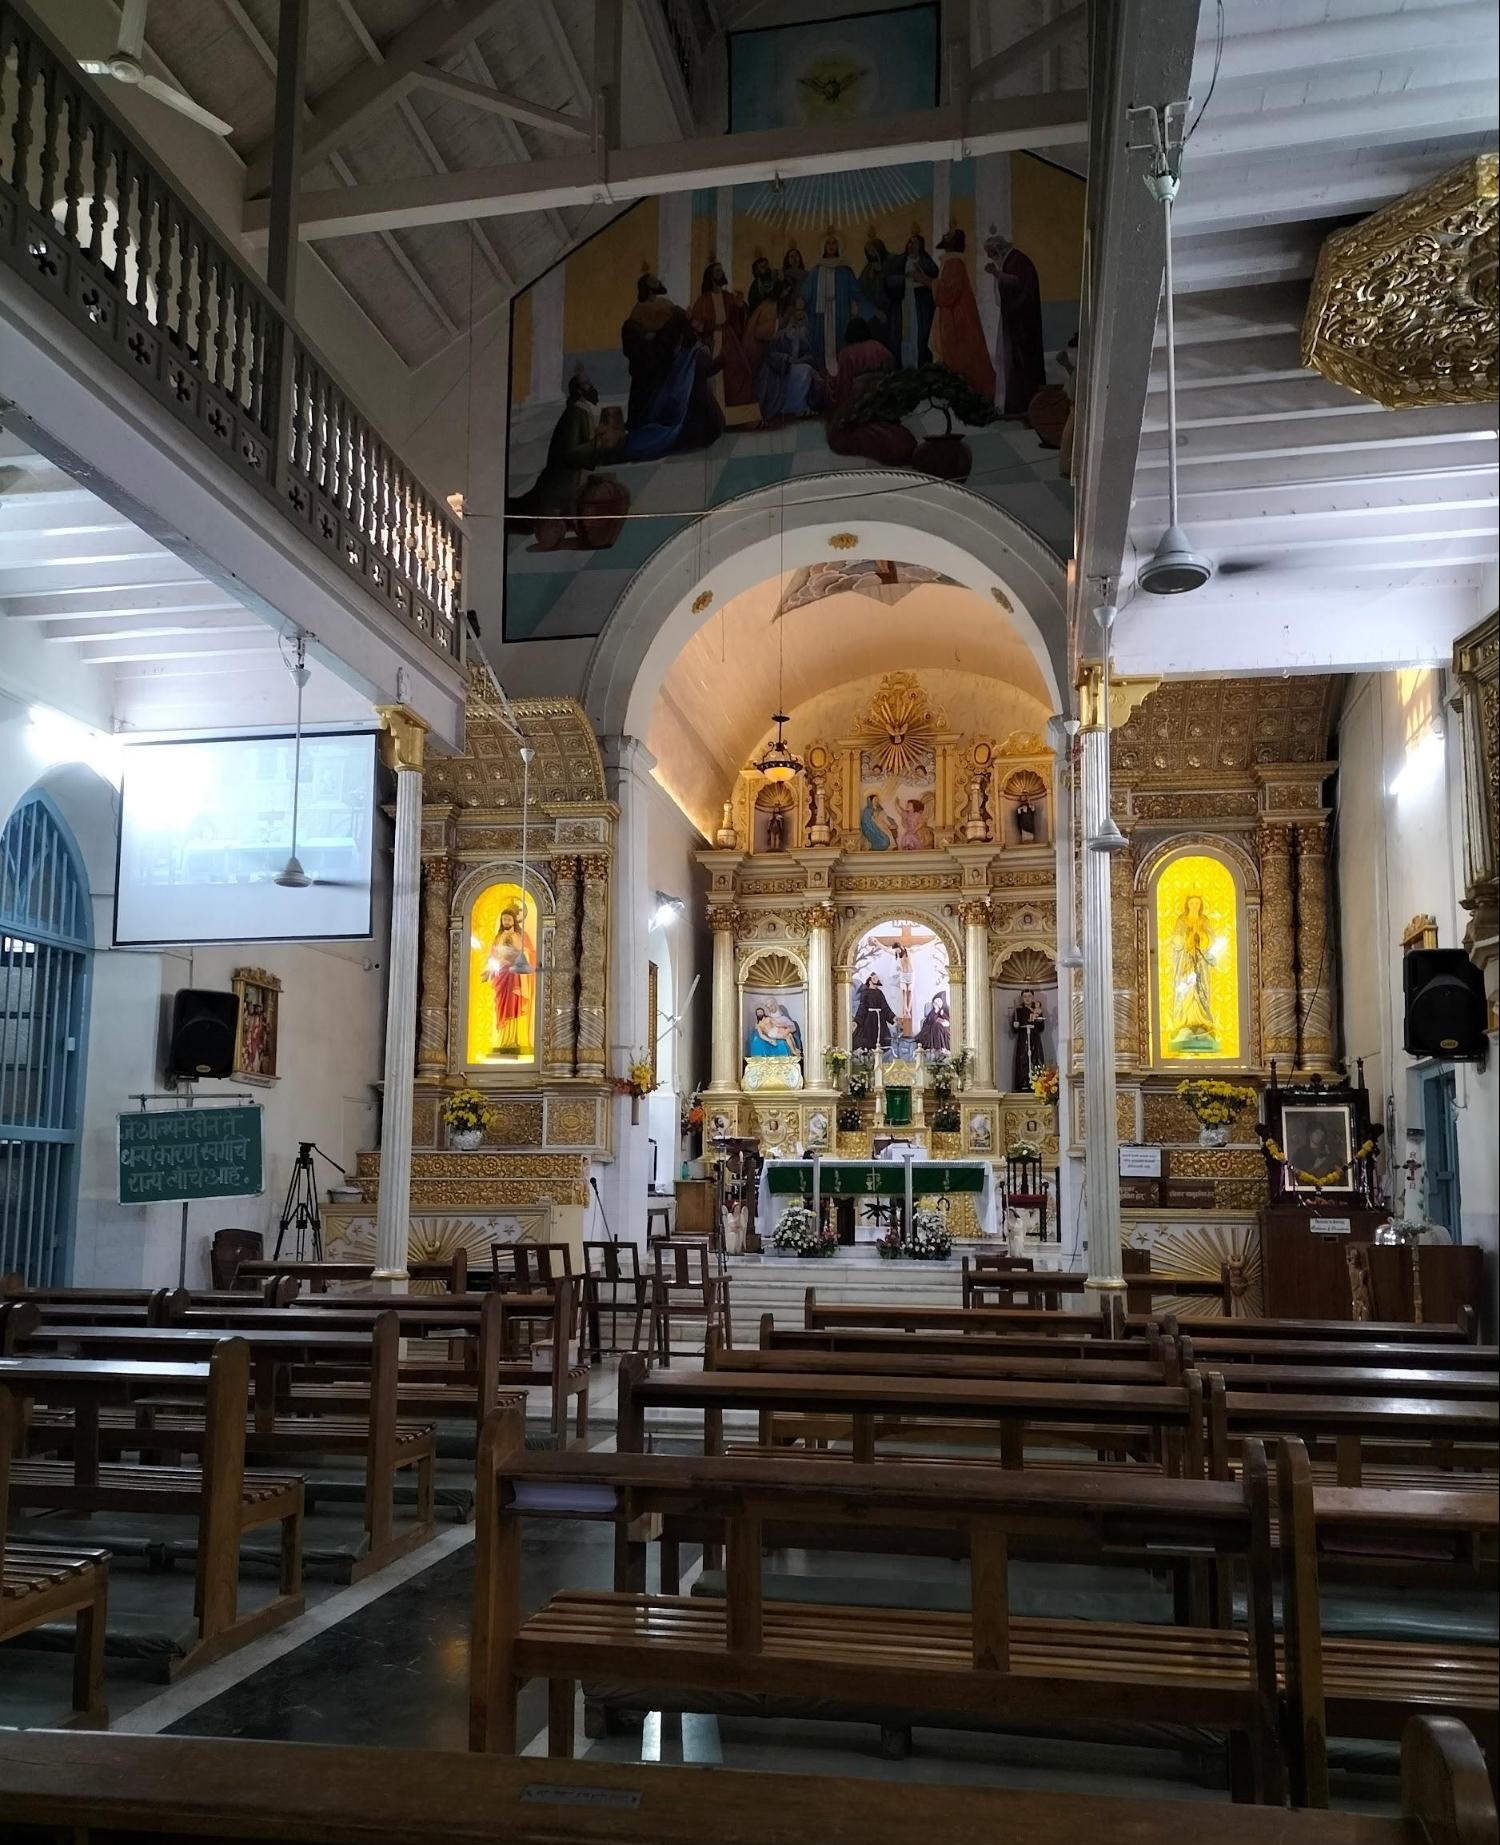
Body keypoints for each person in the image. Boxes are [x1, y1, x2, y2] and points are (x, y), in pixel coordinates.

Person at [620, 268, 722, 460]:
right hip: (655, 364)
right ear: (648, 287)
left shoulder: (664, 307)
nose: (659, 281)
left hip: (667, 362)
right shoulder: (643, 311)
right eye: (654, 280)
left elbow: (684, 325)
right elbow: (636, 339)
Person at [506, 365, 605, 542]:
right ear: (579, 391)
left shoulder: (583, 412)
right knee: (529, 516)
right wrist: (598, 446)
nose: (592, 390)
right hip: (559, 480)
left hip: (567, 479)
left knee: (528, 513)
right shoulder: (575, 413)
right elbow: (570, 451)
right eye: (587, 386)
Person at [826, 316, 917, 466]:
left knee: (837, 437)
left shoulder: (846, 354)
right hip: (882, 406)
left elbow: (844, 388)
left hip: (858, 408)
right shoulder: (881, 349)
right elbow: (892, 380)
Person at [982, 228, 1048, 417]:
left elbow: (1017, 283)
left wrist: (996, 273)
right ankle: (1008, 404)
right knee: (1007, 361)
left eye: (991, 253)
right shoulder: (1011, 260)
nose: (990, 257)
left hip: (1021, 325)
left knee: (1018, 364)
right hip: (1014, 320)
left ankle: (1019, 406)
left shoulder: (1018, 261)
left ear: (998, 249)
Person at [688, 259, 760, 430]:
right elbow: (696, 324)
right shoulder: (703, 300)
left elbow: (738, 318)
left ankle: (739, 418)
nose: (721, 274)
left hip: (729, 341)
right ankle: (716, 419)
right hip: (712, 341)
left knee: (740, 374)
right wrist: (696, 323)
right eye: (717, 271)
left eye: (721, 271)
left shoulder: (728, 297)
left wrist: (740, 307)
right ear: (711, 277)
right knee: (714, 380)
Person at [932, 227, 996, 400]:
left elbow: (948, 293)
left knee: (959, 353)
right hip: (955, 313)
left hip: (957, 317)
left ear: (953, 242)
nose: (945, 234)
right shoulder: (951, 261)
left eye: (949, 234)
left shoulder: (953, 262)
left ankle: (967, 394)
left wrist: (927, 281)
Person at [755, 285, 823, 424]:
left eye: (801, 319)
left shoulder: (803, 339)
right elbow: (771, 355)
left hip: (796, 369)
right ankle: (789, 407)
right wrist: (787, 359)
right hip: (780, 373)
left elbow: (810, 355)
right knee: (806, 370)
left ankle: (800, 406)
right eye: (795, 319)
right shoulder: (780, 336)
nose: (797, 323)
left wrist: (802, 360)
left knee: (807, 369)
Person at [804, 227, 861, 373]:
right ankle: (821, 371)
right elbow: (806, 292)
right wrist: (801, 301)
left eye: (834, 243)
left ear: (839, 246)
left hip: (840, 310)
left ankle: (841, 371)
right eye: (828, 243)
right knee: (820, 340)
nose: (831, 246)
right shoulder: (816, 269)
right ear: (823, 247)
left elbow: (854, 291)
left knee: (840, 338)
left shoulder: (845, 269)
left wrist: (854, 304)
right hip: (820, 313)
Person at [1167, 893, 1219, 1051]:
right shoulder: (1182, 920)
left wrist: (1200, 937)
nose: (1194, 906)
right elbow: (1176, 940)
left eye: (1197, 903)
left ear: (1200, 905)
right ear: (1187, 905)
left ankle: (1202, 1024)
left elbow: (1211, 939)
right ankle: (1184, 1025)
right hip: (1186, 962)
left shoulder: (1204, 920)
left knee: (1200, 991)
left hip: (1201, 962)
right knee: (1187, 992)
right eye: (1192, 903)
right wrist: (1187, 937)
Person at [483, 907, 536, 1056]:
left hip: (514, 975)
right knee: (501, 1005)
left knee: (514, 1004)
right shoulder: (498, 938)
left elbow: (530, 953)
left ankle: (515, 1039)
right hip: (501, 976)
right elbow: (492, 957)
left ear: (514, 921)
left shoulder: (521, 936)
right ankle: (502, 1040)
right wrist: (489, 970)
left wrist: (516, 956)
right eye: (504, 919)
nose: (506, 921)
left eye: (509, 919)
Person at [857, 231, 904, 355]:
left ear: (880, 250)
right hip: (873, 314)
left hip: (890, 312)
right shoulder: (868, 269)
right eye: (868, 252)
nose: (871, 255)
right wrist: (873, 310)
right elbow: (860, 290)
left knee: (890, 342)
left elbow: (898, 284)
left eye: (873, 251)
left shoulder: (891, 262)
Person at [899, 230, 938, 368]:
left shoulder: (925, 261)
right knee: (906, 334)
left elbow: (933, 275)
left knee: (920, 333)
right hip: (905, 301)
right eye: (910, 242)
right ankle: (906, 365)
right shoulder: (902, 261)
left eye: (915, 243)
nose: (911, 245)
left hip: (920, 303)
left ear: (920, 246)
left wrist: (919, 279)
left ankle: (921, 365)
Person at [1010, 988, 1046, 1091]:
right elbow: (1015, 1029)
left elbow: (1041, 1028)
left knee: (1036, 1058)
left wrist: (1039, 1020)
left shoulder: (1037, 1010)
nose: (1027, 998)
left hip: (1035, 1037)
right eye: (1025, 996)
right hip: (1024, 1038)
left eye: (1029, 996)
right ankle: (1023, 1084)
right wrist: (1015, 1025)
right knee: (1023, 1059)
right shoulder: (1018, 1010)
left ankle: (1037, 1084)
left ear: (1032, 997)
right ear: (1022, 998)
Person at [852, 973, 898, 1051]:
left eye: (877, 978)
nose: (876, 980)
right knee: (867, 1040)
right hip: (869, 1020)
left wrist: (892, 1017)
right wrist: (857, 1021)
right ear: (869, 981)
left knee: (881, 1040)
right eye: (874, 978)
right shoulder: (865, 993)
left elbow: (885, 1007)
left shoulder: (880, 993)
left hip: (880, 1020)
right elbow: (862, 1008)